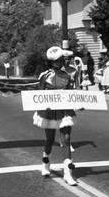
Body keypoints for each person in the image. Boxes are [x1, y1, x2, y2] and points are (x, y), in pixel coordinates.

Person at [33, 46, 78, 186]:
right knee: (50, 139)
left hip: (64, 110)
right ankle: (46, 163)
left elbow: (71, 93)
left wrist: (79, 102)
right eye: (57, 61)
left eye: (61, 60)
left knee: (66, 139)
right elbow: (38, 95)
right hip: (50, 111)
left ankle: (67, 173)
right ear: (51, 62)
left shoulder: (67, 76)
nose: (60, 63)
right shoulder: (45, 76)